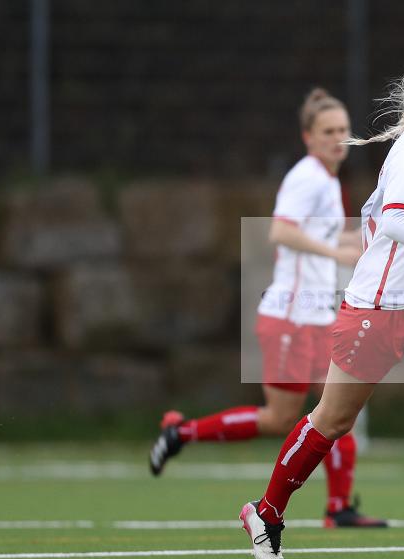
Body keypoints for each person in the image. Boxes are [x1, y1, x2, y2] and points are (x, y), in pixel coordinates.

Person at [239, 50, 404, 559]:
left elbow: (384, 220)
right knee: (331, 421)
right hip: (376, 315)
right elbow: (395, 224)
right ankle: (265, 514)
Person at [148, 88, 386, 529]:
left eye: (342, 130)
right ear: (308, 136)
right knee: (281, 418)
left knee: (339, 406)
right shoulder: (307, 177)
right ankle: (181, 432)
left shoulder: (329, 183)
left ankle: (339, 508)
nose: (338, 138)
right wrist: (338, 254)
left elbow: (331, 240)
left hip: (318, 316)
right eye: (328, 131)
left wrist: (382, 239)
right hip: (291, 317)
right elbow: (281, 233)